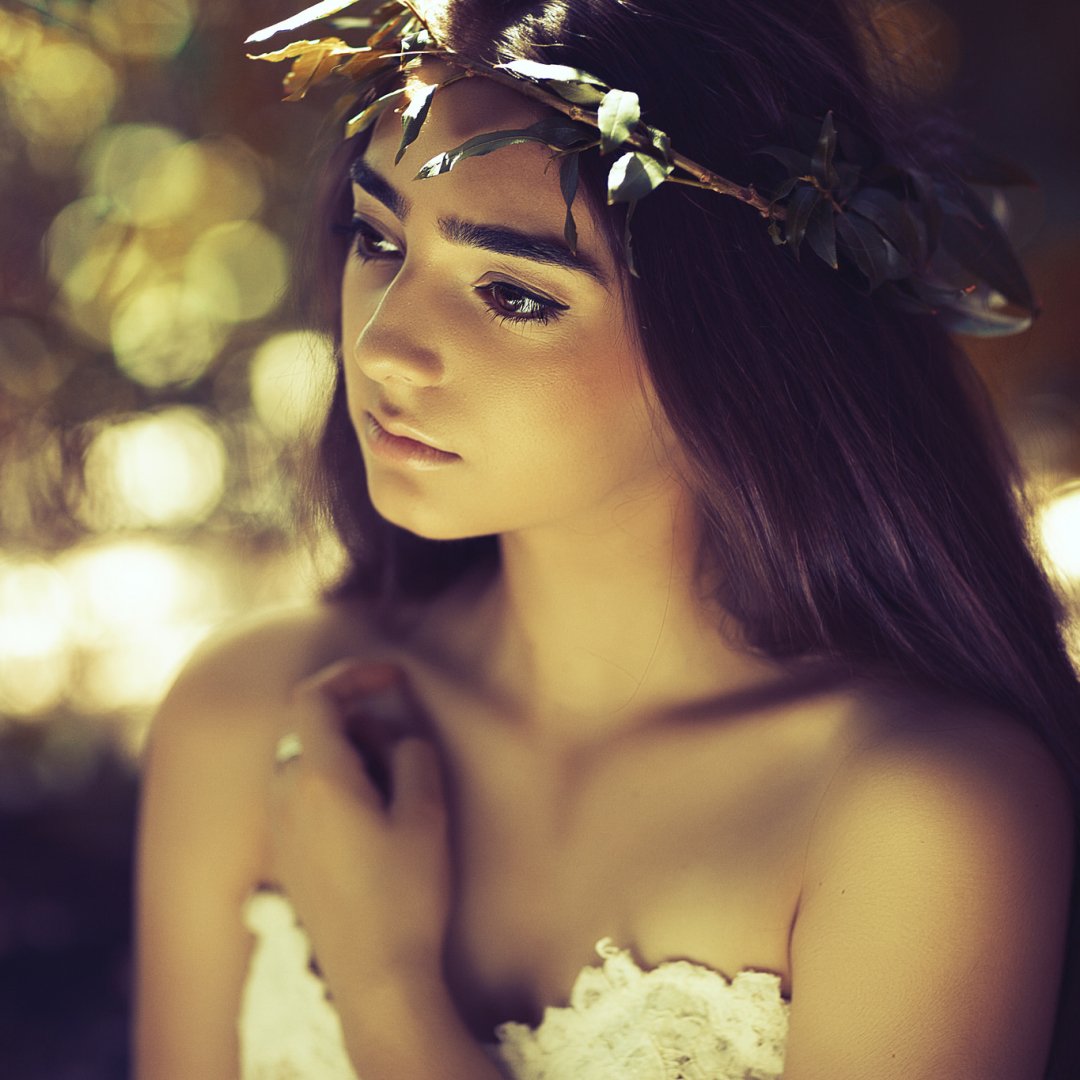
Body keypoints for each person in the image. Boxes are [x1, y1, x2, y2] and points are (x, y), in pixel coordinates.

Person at [133, 0, 1080, 1077]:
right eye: (377, 237)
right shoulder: (251, 717)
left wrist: (384, 988)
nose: (386, 344)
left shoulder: (919, 816)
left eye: (513, 293)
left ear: (736, 343)